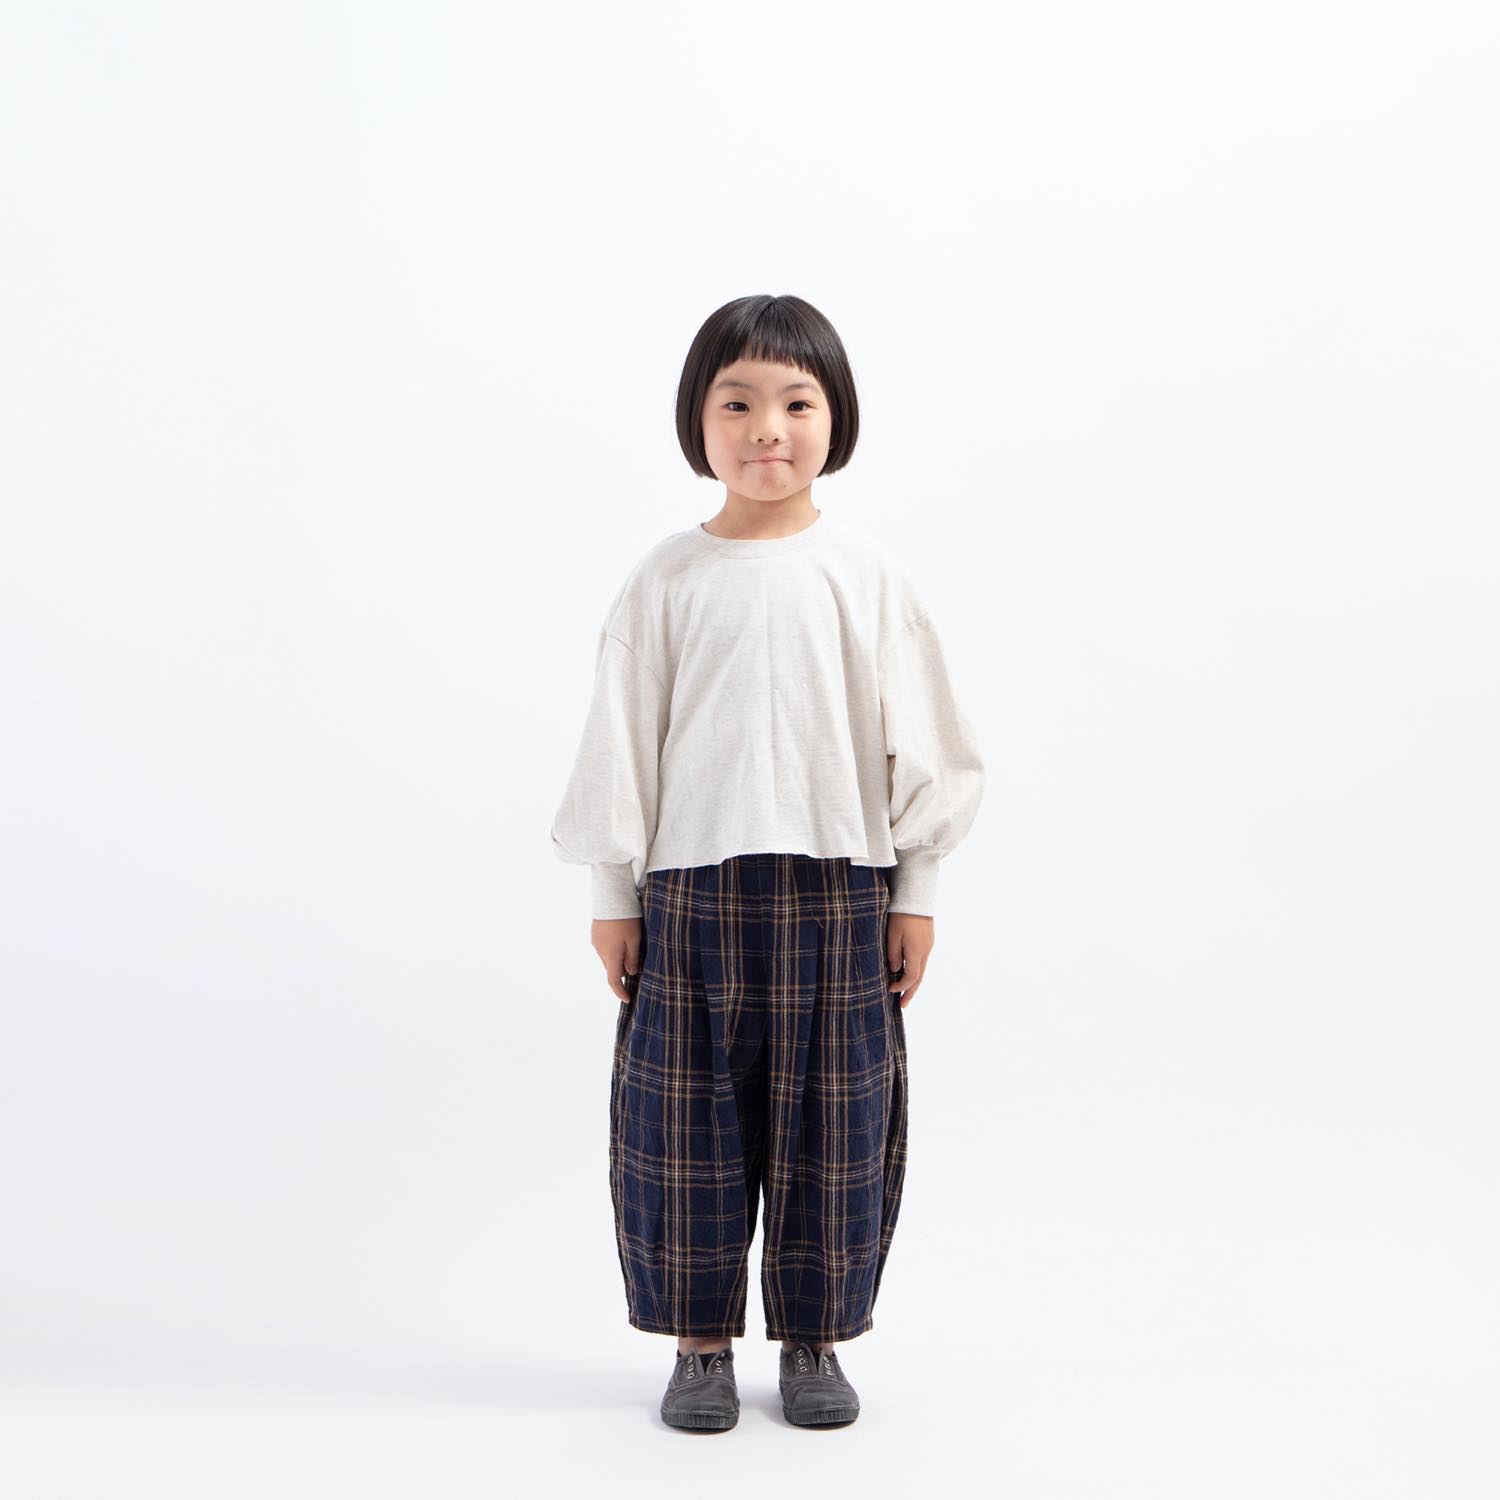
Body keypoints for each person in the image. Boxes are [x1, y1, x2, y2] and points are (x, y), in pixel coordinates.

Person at [550, 293, 986, 1430]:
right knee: (682, 1126)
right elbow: (621, 741)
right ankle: (700, 1344)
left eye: (797, 403)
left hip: (840, 893)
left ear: (836, 418)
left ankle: (812, 1338)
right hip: (689, 893)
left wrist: (917, 890)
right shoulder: (666, 579)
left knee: (834, 1129)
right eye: (736, 404)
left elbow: (923, 744)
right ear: (696, 421)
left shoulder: (868, 577)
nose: (767, 430)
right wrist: (613, 893)